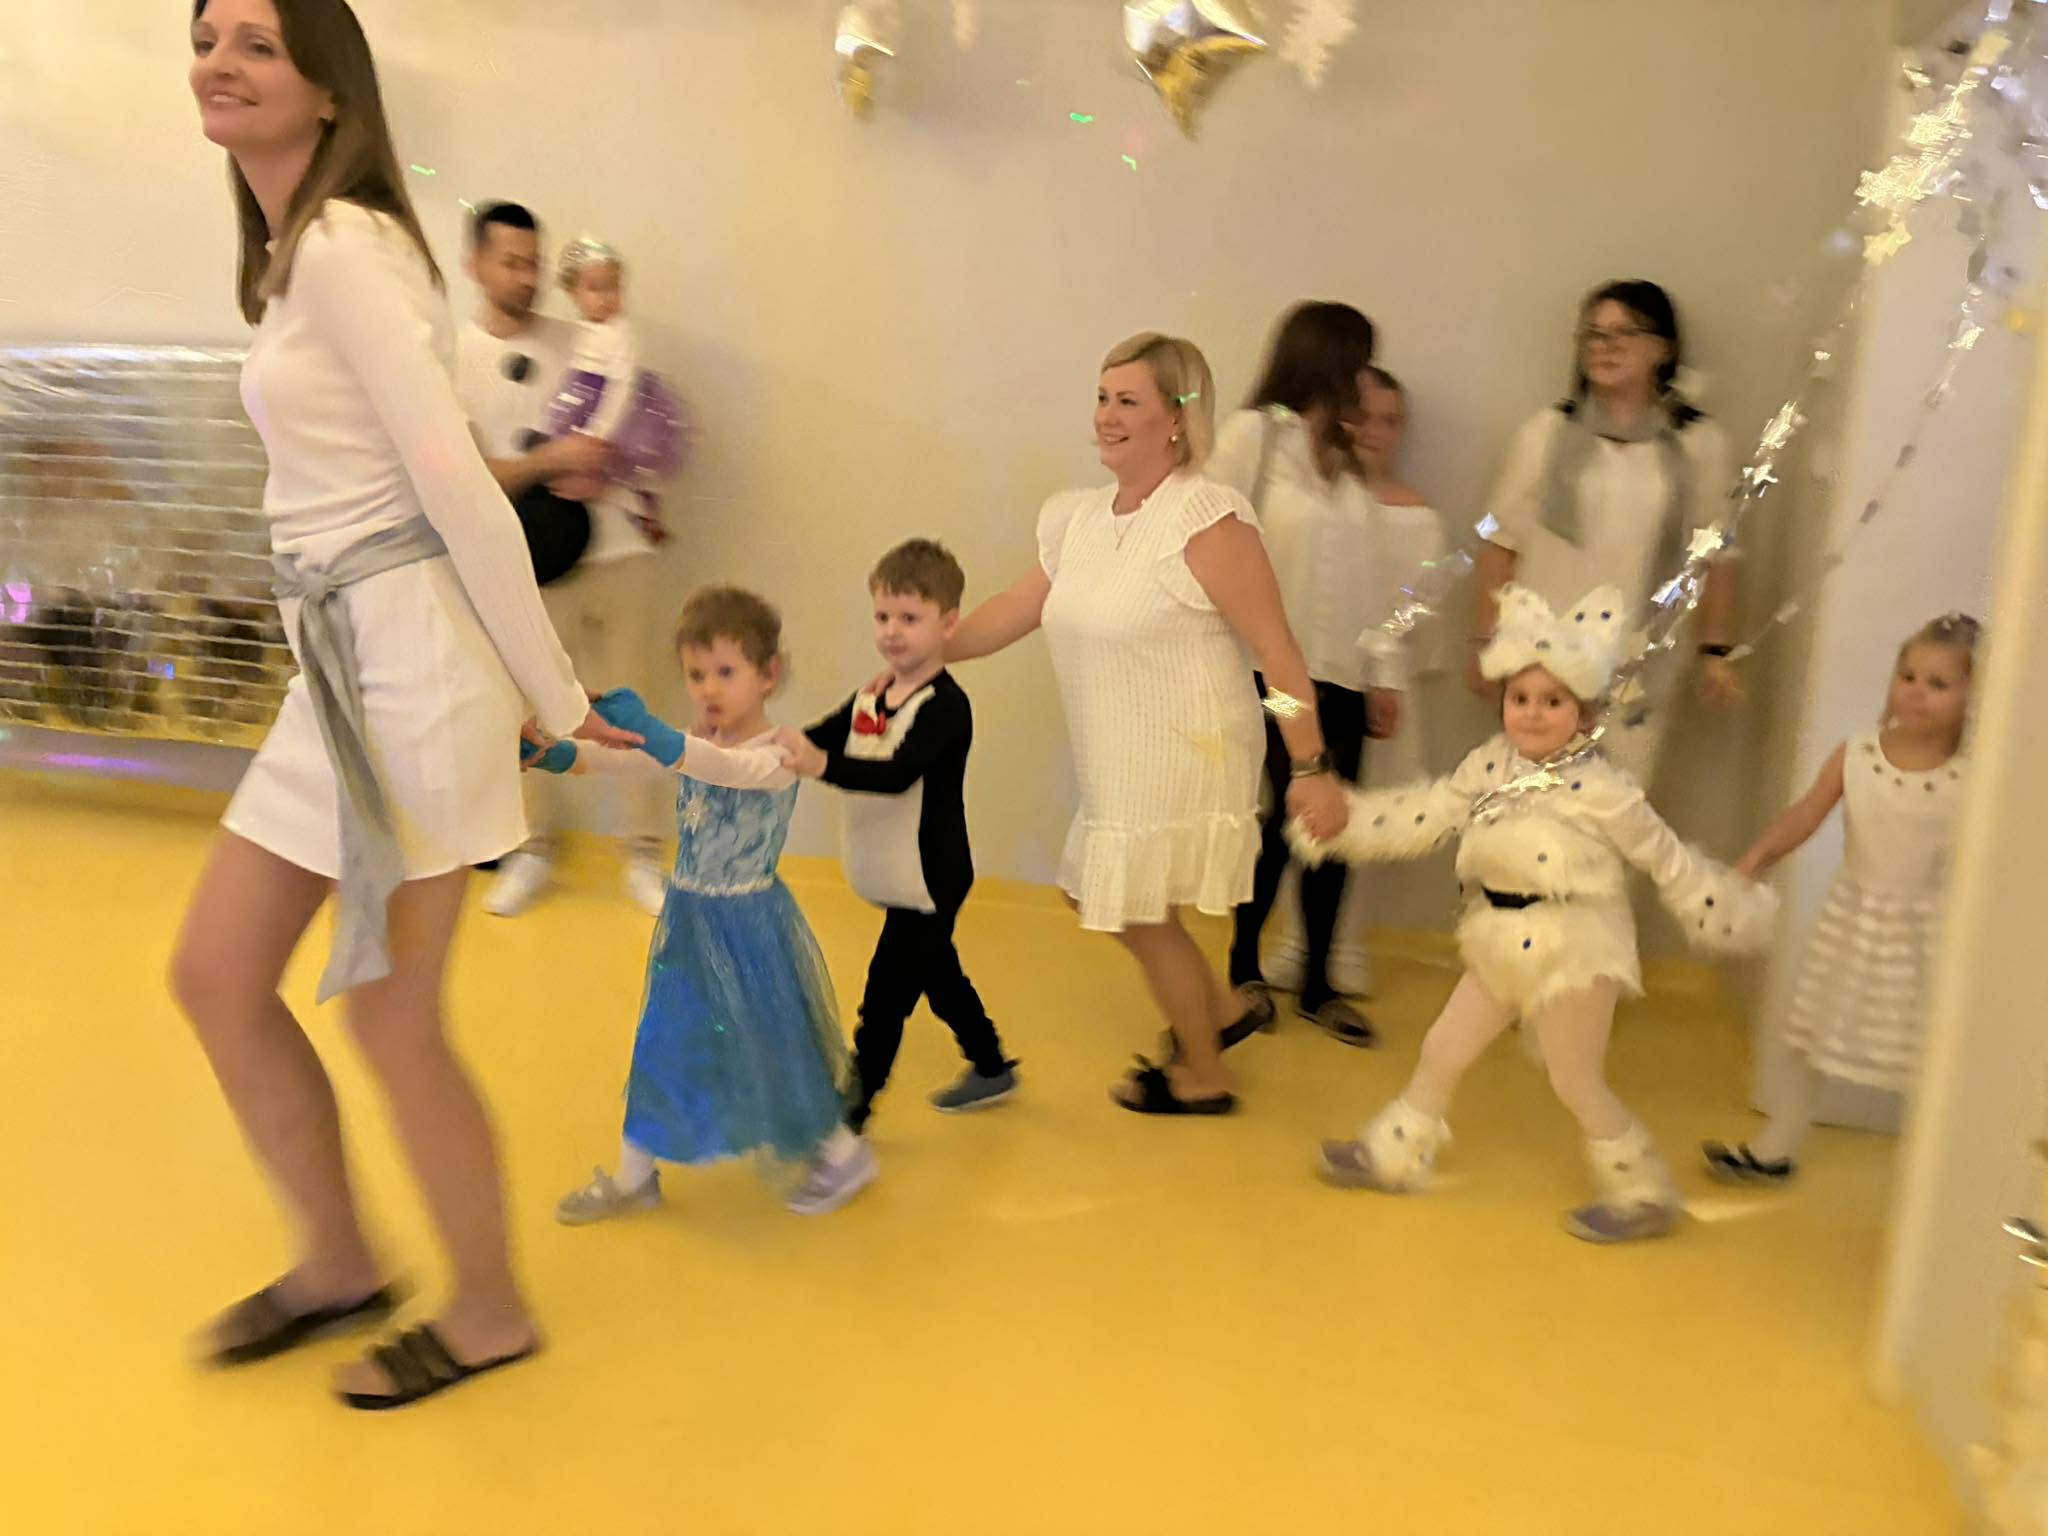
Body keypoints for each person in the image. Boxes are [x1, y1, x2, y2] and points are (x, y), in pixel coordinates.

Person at [179, 0, 637, 1410]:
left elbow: (454, 484)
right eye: (206, 37)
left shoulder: (344, 245)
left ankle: (489, 1310)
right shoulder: (293, 257)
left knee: (390, 1017)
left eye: (257, 42)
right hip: (340, 667)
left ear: (329, 86)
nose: (219, 61)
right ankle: (338, 1261)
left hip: (410, 673)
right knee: (215, 976)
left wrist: (552, 692)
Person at [947, 332, 1347, 1115]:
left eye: (1128, 401)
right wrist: (935, 647)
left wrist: (1309, 765)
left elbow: (1276, 654)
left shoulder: (1207, 519)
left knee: (1132, 905)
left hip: (1190, 748)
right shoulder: (1079, 518)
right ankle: (1221, 1014)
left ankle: (1203, 1072)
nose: (1106, 415)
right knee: (1097, 892)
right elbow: (1019, 606)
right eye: (1102, 398)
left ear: (1177, 418)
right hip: (1120, 750)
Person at [1301, 584, 1777, 1242]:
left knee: (1574, 1078)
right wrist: (1345, 823)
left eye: (1552, 701)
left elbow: (1665, 857)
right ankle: (1394, 1153)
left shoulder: (1605, 788)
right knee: (1443, 1047)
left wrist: (1720, 905)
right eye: (1520, 698)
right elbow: (1428, 813)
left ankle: (1642, 1190)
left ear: (1584, 712)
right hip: (1498, 937)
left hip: (1575, 948)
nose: (1532, 713)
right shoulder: (1488, 764)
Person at [539, 588, 878, 1221]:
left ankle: (843, 1155)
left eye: (726, 671)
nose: (709, 689)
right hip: (690, 921)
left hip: (749, 927)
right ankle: (635, 1176)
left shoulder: (778, 754)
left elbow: (722, 769)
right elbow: (631, 763)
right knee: (662, 1042)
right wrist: (561, 756)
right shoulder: (696, 740)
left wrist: (656, 734)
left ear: (768, 674)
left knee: (775, 1047)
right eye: (696, 675)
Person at [1703, 613, 1979, 1184]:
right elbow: (1806, 814)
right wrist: (1754, 860)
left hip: (1927, 931)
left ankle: (1941, 1174)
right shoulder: (1858, 754)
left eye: (1938, 683)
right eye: (1908, 676)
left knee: (1932, 1049)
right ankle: (1776, 1146)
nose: (1917, 692)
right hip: (1853, 918)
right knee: (1812, 1033)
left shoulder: (1973, 776)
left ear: (1973, 696)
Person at [454, 203, 668, 917]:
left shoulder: (587, 335)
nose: (527, 277)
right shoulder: (454, 361)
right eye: (511, 262)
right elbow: (464, 476)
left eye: (534, 263)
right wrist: (554, 461)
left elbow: (639, 420)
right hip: (534, 561)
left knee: (635, 705)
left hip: (621, 551)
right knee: (529, 709)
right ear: (475, 265)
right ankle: (531, 849)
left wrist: (642, 490)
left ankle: (642, 854)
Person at [776, 539, 1019, 1131]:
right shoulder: (873, 694)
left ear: (948, 624)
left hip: (930, 877)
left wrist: (818, 765)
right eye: (883, 616)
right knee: (938, 974)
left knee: (885, 994)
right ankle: (991, 1064)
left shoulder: (947, 707)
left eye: (910, 618)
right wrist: (770, 748)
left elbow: (895, 774)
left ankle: (851, 1110)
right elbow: (823, 736)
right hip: (898, 871)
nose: (892, 631)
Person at [1206, 301, 1394, 1047]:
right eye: (1358, 360)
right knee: (1283, 821)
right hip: (1272, 671)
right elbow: (1205, 535)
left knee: (1334, 827)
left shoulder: (1347, 460)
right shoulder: (1256, 436)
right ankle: (1242, 969)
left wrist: (1383, 671)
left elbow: (1374, 579)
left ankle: (1317, 983)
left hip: (1342, 674)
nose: (1365, 377)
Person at [1472, 280, 1741, 787]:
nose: (1605, 346)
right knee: (1524, 805)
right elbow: (1499, 539)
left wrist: (1715, 653)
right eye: (1594, 334)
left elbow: (1717, 555)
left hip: (1636, 663)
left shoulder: (1699, 444)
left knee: (1613, 804)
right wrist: (1484, 641)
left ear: (1664, 349)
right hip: (1540, 656)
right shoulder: (1546, 432)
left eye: (1624, 333)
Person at [1264, 366, 1454, 1003]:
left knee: (1364, 813)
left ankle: (1343, 944)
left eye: (1390, 420)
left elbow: (1414, 609)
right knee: (1291, 808)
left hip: (1377, 687)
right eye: (1363, 416)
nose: (1374, 431)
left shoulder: (1417, 516)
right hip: (1304, 682)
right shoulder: (1308, 498)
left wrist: (1385, 672)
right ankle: (1294, 942)